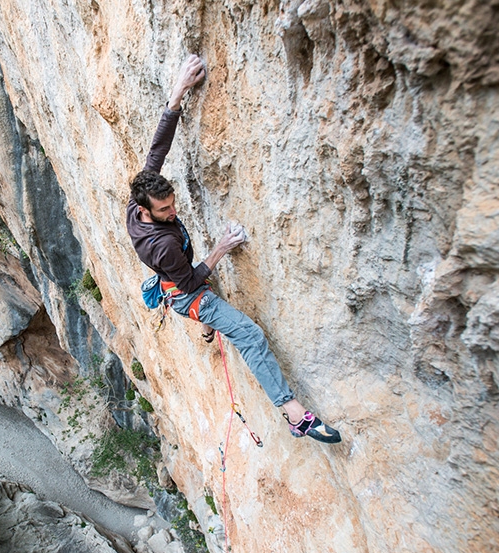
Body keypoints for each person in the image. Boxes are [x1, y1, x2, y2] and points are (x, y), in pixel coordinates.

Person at [126, 54, 341, 444]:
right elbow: (191, 281)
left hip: (175, 280)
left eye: (173, 205)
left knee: (217, 315)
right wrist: (223, 246)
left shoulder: (137, 204)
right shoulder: (162, 247)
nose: (174, 212)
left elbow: (156, 151)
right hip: (188, 294)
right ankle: (294, 414)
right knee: (249, 335)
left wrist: (176, 95)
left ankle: (209, 328)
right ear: (147, 211)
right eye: (166, 210)